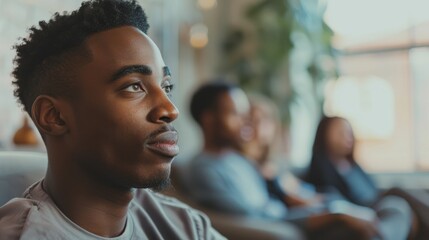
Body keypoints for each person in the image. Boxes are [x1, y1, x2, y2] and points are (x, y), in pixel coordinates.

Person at [0, 1, 224, 239]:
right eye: (134, 86)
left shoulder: (185, 226)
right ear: (54, 117)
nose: (170, 109)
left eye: (166, 86)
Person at [184, 81, 408, 240]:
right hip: (291, 229)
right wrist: (335, 215)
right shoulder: (204, 168)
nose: (246, 122)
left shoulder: (240, 161)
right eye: (235, 114)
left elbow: (279, 203)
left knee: (394, 208)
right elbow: (253, 219)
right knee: (387, 217)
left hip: (296, 220)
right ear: (208, 118)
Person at [306, 116, 429, 239]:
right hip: (359, 210)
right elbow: (332, 201)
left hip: (375, 203)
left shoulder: (353, 165)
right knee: (396, 199)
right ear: (324, 135)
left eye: (349, 133)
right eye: (341, 133)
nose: (347, 137)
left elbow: (372, 189)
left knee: (398, 200)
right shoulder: (321, 167)